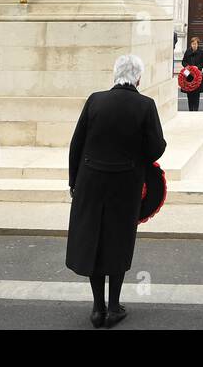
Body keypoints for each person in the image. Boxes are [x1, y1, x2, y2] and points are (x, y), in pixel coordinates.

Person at [66, 54, 167, 328]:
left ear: (114, 75)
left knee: (94, 242)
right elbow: (157, 147)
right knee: (117, 242)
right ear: (138, 78)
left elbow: (76, 144)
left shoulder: (95, 100)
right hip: (125, 183)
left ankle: (97, 308)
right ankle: (113, 306)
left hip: (91, 181)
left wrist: (73, 181)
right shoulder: (145, 105)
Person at [180, 36, 203, 111]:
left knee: (196, 94)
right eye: (192, 44)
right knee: (189, 94)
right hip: (188, 75)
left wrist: (197, 67)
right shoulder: (188, 51)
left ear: (198, 44)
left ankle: (195, 109)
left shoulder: (202, 52)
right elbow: (183, 61)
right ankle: (190, 109)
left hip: (197, 75)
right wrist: (188, 67)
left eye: (195, 44)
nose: (194, 45)